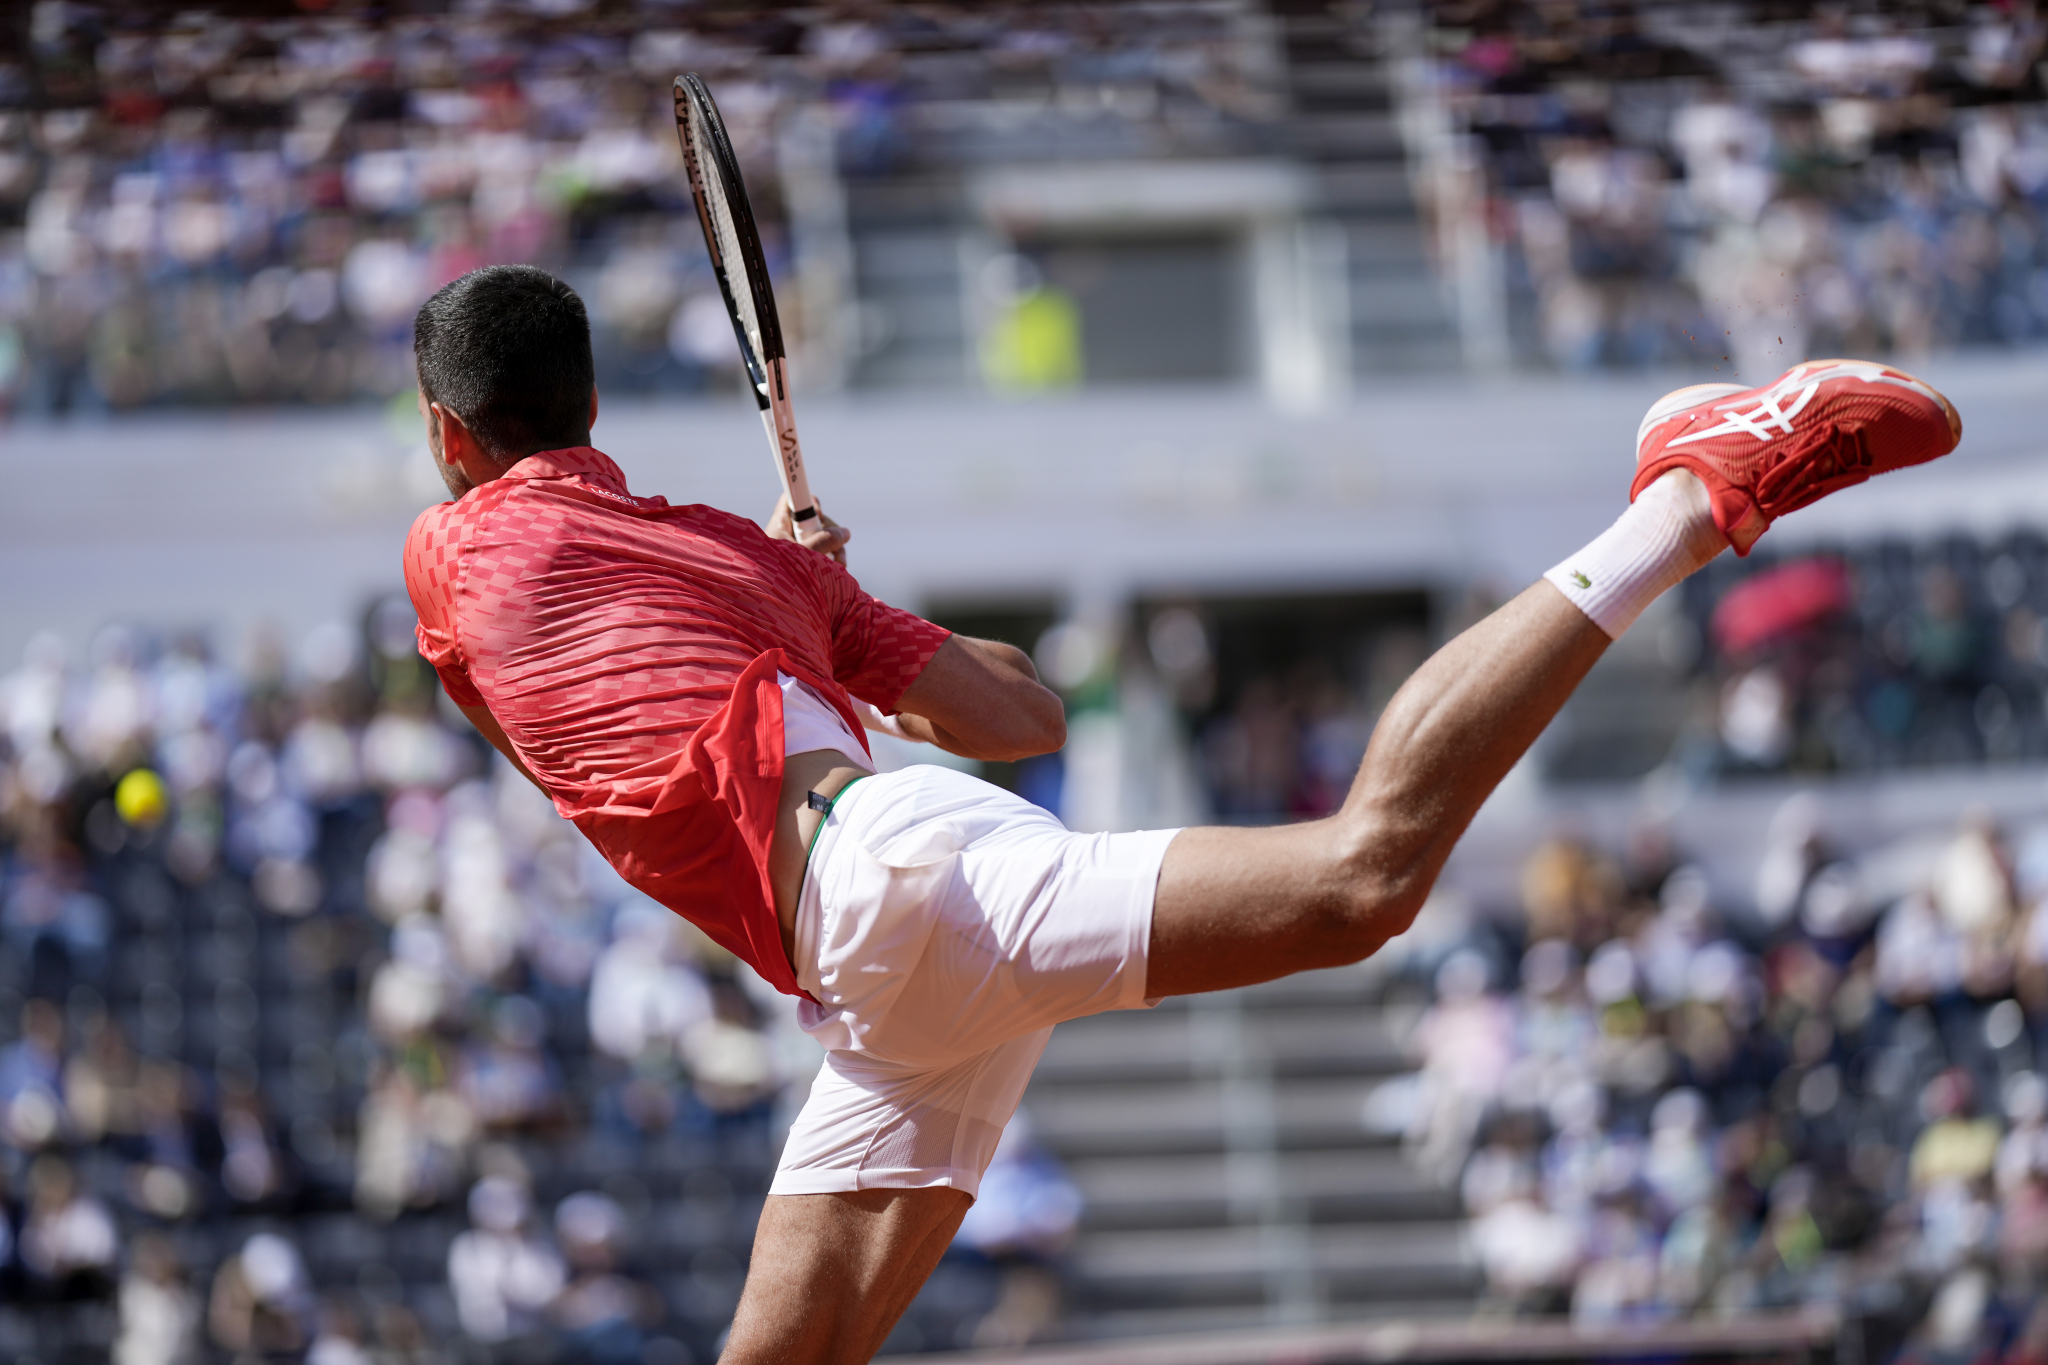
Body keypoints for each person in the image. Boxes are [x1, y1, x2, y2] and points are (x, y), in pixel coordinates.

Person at [401, 264, 1961, 1363]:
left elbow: (503, 703)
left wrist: (810, 604)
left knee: (1365, 879)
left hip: (895, 896)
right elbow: (1018, 715)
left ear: (447, 435)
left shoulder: (456, 548)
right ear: (596, 399)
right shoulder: (748, 558)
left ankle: (1687, 498)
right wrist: (826, 594)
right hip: (886, 955)